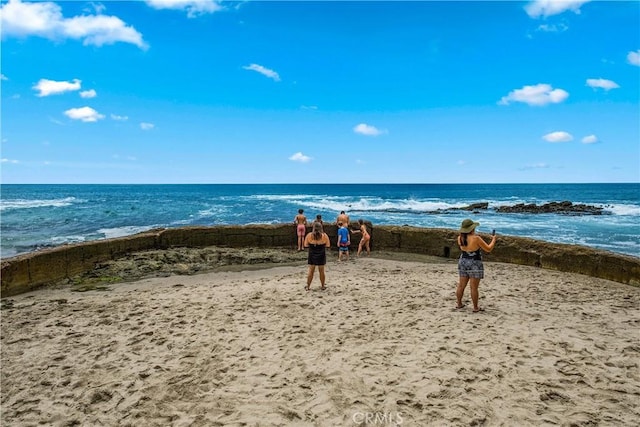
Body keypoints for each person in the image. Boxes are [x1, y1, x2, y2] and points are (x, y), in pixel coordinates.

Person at [455, 218, 496, 313]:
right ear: (472, 229)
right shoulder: (476, 238)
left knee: (461, 285)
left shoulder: (460, 238)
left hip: (463, 261)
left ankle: (459, 303)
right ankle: (475, 307)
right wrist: (493, 240)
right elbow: (488, 249)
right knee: (474, 287)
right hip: (475, 263)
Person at [303, 222, 331, 290]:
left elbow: (305, 245)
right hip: (321, 254)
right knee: (321, 271)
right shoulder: (324, 236)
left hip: (312, 253)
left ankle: (308, 286)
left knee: (311, 271)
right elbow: (328, 245)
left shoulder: (309, 235)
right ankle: (322, 286)